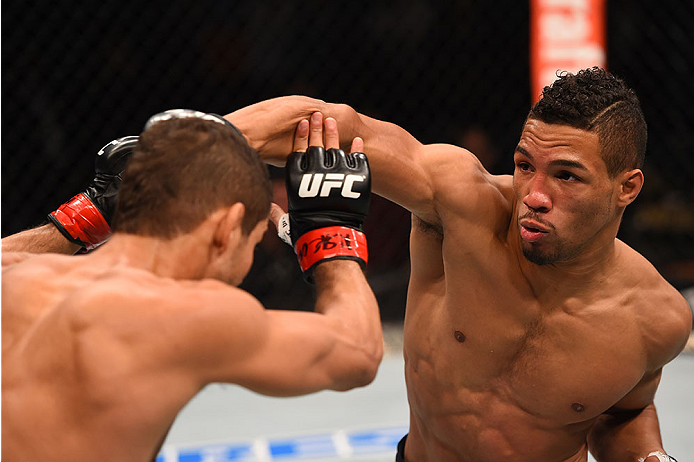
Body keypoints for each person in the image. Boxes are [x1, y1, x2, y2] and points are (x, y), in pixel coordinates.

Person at [224, 68, 692, 462]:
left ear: (626, 188)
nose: (533, 195)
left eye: (566, 176)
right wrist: (186, 149)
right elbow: (337, 126)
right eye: (525, 165)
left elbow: (623, 413)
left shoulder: (656, 319)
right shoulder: (462, 204)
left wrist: (649, 457)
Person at [1, 110, 383, 461]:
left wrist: (89, 213)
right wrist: (333, 235)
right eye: (251, 245)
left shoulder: (18, 276)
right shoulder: (185, 314)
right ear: (227, 228)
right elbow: (357, 352)